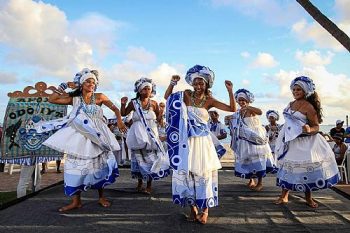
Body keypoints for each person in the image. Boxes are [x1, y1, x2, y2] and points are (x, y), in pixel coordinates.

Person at [37, 68, 127, 212]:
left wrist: (119, 121)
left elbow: (116, 109)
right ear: (81, 84)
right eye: (88, 81)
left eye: (93, 82)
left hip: (98, 135)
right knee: (76, 166)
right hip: (79, 136)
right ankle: (76, 201)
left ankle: (101, 197)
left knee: (99, 164)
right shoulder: (75, 98)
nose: (91, 84)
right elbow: (52, 99)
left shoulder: (100, 97)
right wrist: (64, 85)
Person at [164, 65, 236, 224]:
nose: (197, 86)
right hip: (186, 141)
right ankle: (193, 209)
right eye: (195, 83)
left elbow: (232, 108)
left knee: (203, 174)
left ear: (207, 84)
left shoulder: (209, 100)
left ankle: (205, 210)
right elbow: (167, 98)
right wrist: (172, 83)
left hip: (203, 142)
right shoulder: (186, 95)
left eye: (201, 83)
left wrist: (230, 90)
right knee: (188, 173)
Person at [274, 76, 340, 208]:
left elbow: (316, 126)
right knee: (288, 168)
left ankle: (308, 198)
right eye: (294, 89)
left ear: (305, 91)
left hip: (306, 143)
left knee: (305, 170)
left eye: (298, 90)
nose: (295, 92)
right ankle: (284, 195)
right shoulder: (290, 104)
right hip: (291, 142)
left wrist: (309, 129)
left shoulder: (309, 107)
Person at [121, 77, 170, 195]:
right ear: (139, 90)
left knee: (150, 159)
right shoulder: (134, 102)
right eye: (144, 89)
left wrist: (162, 111)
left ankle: (148, 185)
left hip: (151, 133)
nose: (147, 91)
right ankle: (139, 183)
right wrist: (123, 104)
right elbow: (123, 114)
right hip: (137, 134)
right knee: (138, 158)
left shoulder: (154, 103)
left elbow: (158, 120)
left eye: (149, 88)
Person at [229, 89, 276, 191]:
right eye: (239, 100)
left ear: (248, 100)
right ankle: (251, 180)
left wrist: (249, 107)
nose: (241, 102)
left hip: (256, 137)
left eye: (243, 100)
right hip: (245, 138)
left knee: (258, 158)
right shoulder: (239, 112)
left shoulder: (250, 109)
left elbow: (260, 112)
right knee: (248, 158)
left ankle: (260, 182)